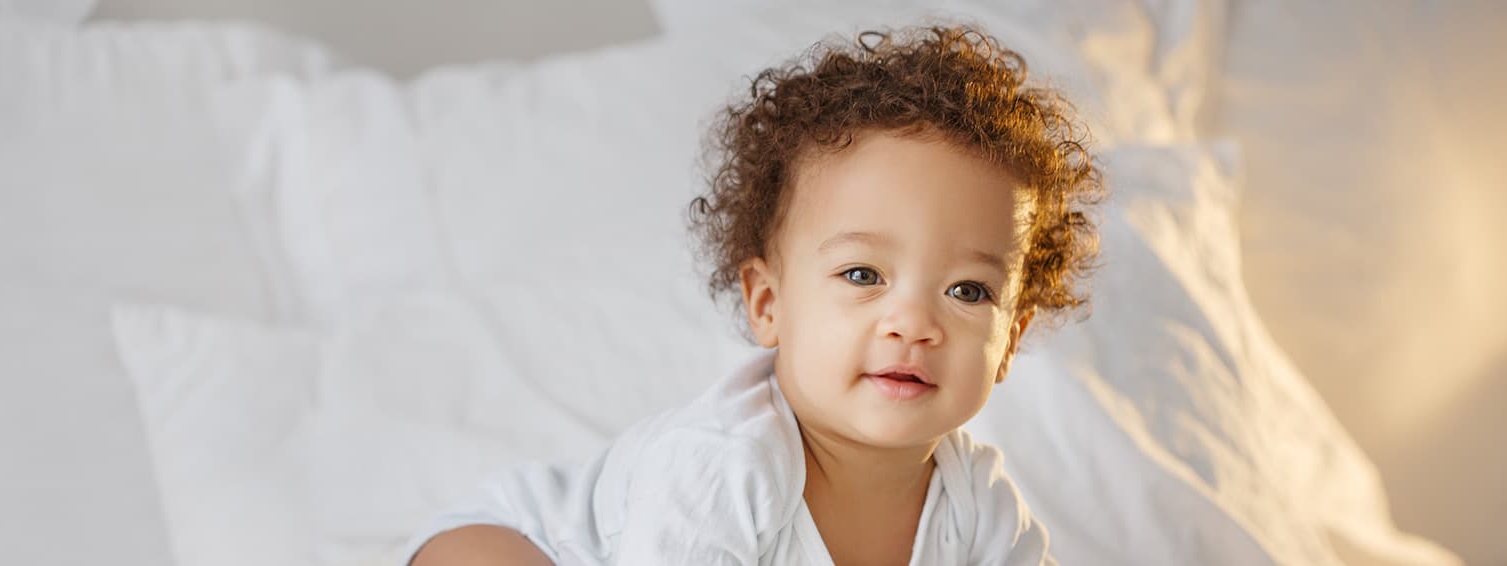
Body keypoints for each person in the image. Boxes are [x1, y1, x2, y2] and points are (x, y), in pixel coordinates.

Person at [406, 21, 1101, 565]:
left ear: (1010, 338)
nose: (913, 322)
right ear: (769, 304)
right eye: (863, 275)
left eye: (969, 290)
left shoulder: (976, 504)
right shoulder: (724, 466)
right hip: (531, 544)